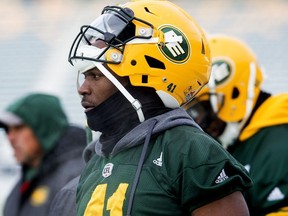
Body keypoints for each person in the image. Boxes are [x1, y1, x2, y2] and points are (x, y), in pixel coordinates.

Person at [68, 1, 253, 215]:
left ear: (143, 77)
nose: (83, 89)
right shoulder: (96, 161)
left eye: (96, 75)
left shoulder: (190, 151)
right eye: (84, 76)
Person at [187, 34, 288, 216]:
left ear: (234, 93)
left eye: (199, 110)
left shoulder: (279, 140)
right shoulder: (243, 139)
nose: (196, 121)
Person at [0, 93, 87, 216]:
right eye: (7, 129)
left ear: (44, 128)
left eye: (18, 128)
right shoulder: (26, 181)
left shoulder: (77, 176)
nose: (10, 137)